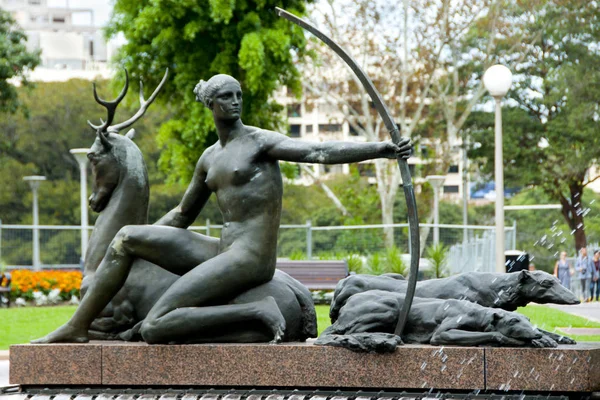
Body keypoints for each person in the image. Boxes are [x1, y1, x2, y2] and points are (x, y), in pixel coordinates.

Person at [33, 74, 412, 344]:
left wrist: (379, 149)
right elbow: (183, 214)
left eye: (238, 95)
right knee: (127, 237)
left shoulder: (260, 142)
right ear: (210, 105)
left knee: (155, 326)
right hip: (223, 249)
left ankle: (255, 310)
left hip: (251, 257)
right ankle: (78, 326)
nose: (235, 101)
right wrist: (147, 242)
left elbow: (320, 152)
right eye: (227, 97)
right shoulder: (209, 158)